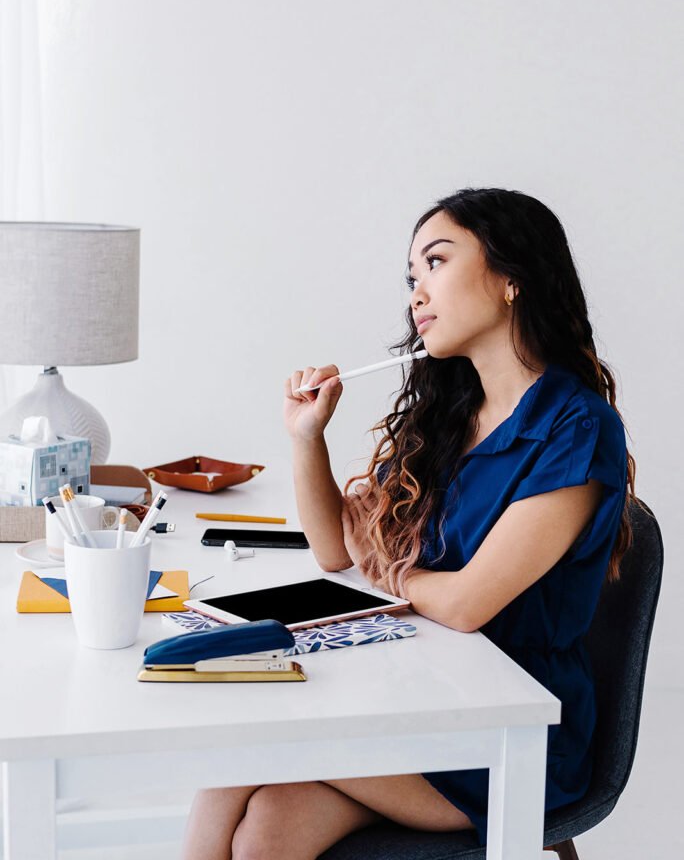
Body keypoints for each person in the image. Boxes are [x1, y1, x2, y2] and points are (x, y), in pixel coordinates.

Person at [182, 187, 635, 860]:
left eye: (437, 263)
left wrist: (391, 571)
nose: (417, 294)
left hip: (509, 728)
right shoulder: (449, 419)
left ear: (513, 278)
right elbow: (337, 551)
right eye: (412, 277)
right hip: (425, 692)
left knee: (245, 747)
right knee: (267, 825)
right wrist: (307, 437)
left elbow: (464, 603)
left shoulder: (574, 428)